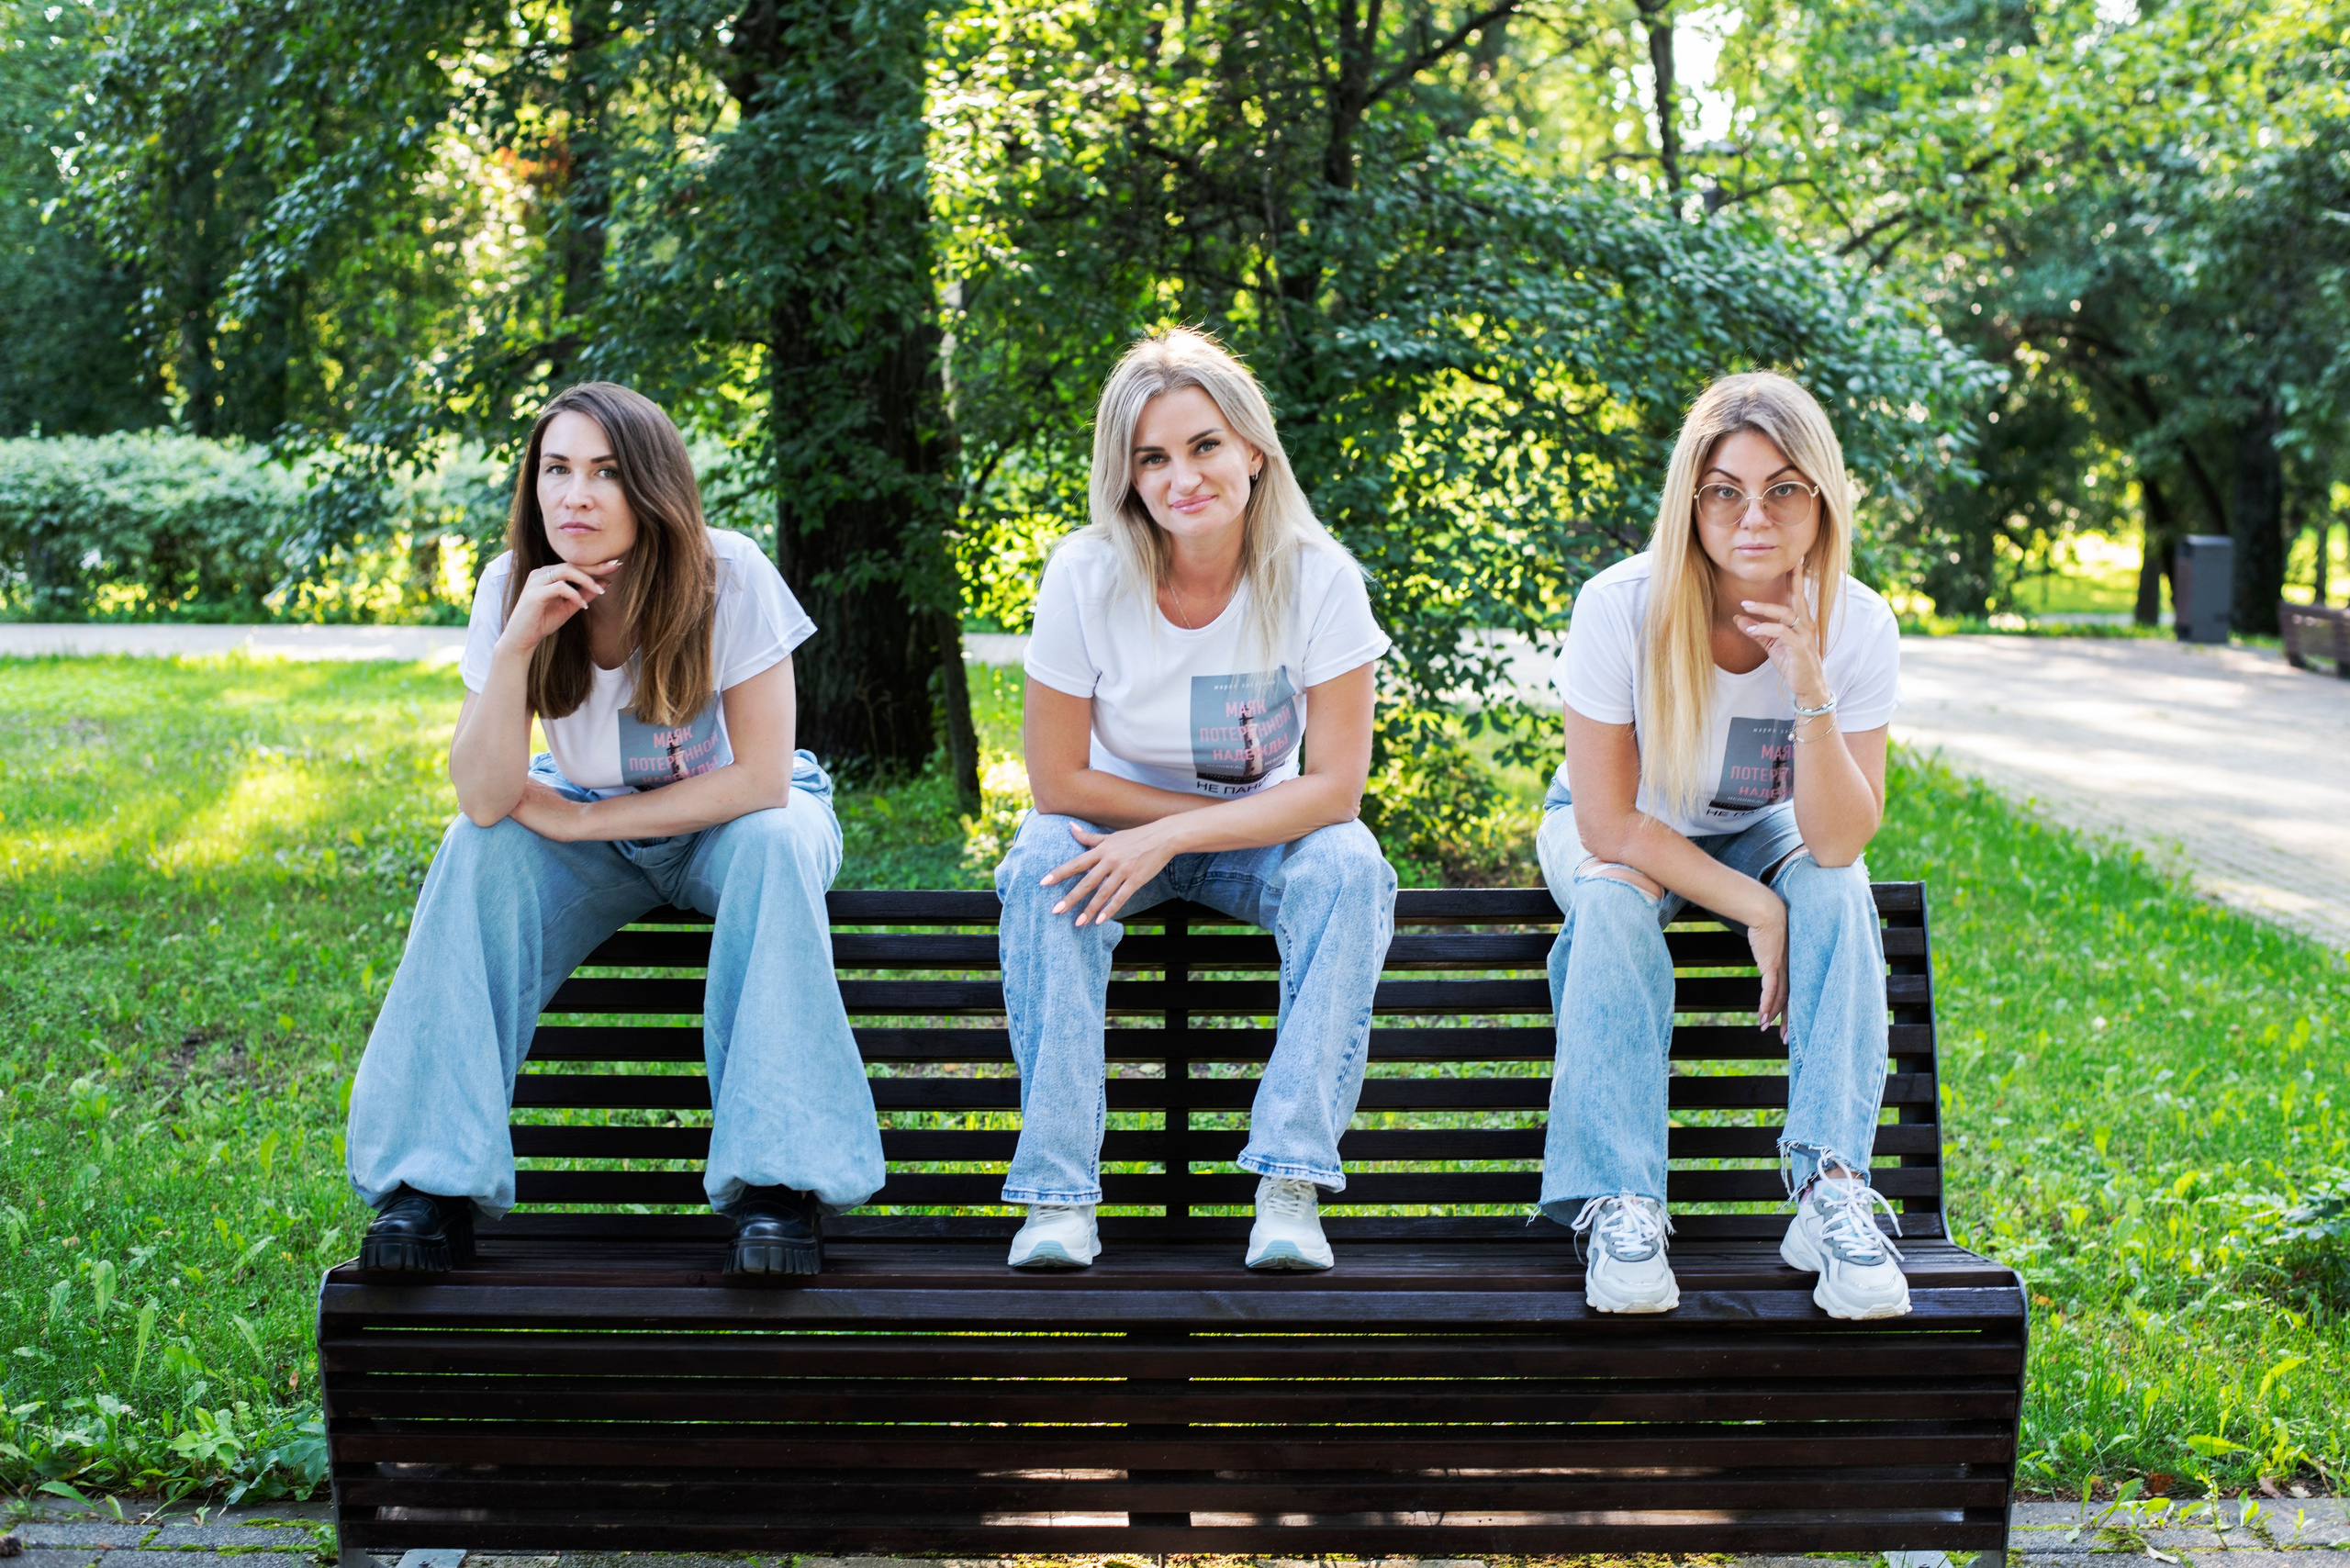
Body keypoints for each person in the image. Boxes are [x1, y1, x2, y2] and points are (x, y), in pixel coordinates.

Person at [343, 382, 883, 1278]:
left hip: (732, 816)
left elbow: (756, 778)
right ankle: (427, 1186)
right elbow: (483, 796)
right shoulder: (510, 586)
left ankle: (777, 1189)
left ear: (652, 489)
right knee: (473, 848)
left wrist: (586, 823)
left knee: (780, 839)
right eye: (556, 469)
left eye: (604, 472)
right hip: (588, 812)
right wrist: (517, 642)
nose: (575, 495)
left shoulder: (730, 572)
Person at [997, 328, 1396, 1272]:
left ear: (1253, 449)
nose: (1183, 476)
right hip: (1107, 829)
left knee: (1350, 865)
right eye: (1153, 457)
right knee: (1039, 859)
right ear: (1127, 475)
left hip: (1252, 837)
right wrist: (1152, 835)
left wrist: (1176, 834)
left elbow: (1335, 790)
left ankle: (1290, 1186)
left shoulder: (1318, 577)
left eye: (1205, 445)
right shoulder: (1085, 574)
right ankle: (1057, 1197)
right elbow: (1058, 781)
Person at [1538, 371, 1908, 1320]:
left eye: (1783, 486)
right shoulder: (1619, 606)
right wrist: (1755, 905)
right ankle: (1621, 1202)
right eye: (1725, 490)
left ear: (1820, 496)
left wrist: (1811, 686)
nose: (1754, 515)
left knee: (1840, 883)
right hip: (1623, 815)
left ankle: (1829, 1187)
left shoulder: (1858, 621)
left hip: (1761, 821)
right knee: (1613, 898)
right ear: (1691, 503)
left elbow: (1836, 836)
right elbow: (1608, 823)